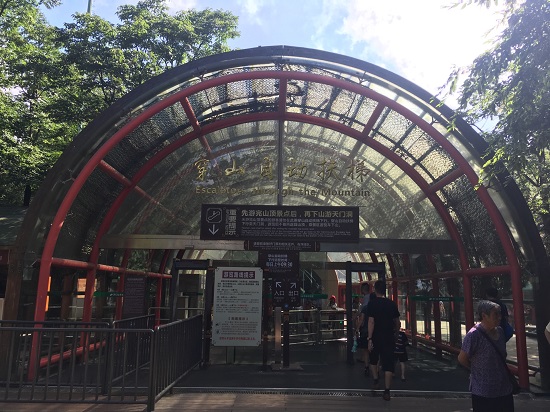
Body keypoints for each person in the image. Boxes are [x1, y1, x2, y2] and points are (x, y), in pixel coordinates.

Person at [458, 300, 514, 412]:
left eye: (500, 314)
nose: (499, 317)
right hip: (483, 390)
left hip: (504, 387)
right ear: (484, 315)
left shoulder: (500, 331)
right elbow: (462, 358)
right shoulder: (474, 335)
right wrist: (475, 369)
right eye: (495, 314)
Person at [366, 280, 400, 401]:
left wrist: (369, 338)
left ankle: (376, 379)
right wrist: (396, 333)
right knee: (388, 364)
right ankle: (387, 391)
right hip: (389, 337)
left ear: (375, 290)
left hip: (376, 337)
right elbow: (397, 321)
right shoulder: (392, 304)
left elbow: (371, 321)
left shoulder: (372, 304)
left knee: (373, 360)